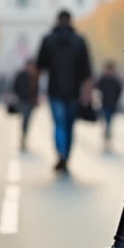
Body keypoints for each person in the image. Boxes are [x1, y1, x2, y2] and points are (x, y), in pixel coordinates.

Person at [35, 10, 92, 172]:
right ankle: (66, 155)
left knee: (59, 124)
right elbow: (87, 72)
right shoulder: (80, 41)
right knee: (69, 126)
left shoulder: (48, 40)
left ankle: (61, 153)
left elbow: (39, 68)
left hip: (55, 91)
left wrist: (34, 91)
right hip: (74, 92)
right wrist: (87, 94)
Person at [13, 59, 39, 150]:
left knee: (27, 120)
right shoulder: (21, 75)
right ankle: (23, 138)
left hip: (30, 102)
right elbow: (15, 87)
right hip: (22, 101)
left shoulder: (34, 76)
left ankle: (24, 137)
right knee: (25, 119)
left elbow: (36, 89)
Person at [96, 61, 123, 145]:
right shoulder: (103, 79)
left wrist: (116, 100)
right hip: (104, 103)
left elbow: (119, 91)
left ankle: (107, 132)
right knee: (104, 119)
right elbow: (97, 88)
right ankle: (106, 132)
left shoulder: (115, 80)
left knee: (109, 119)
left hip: (112, 104)